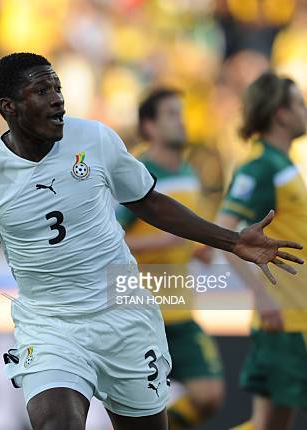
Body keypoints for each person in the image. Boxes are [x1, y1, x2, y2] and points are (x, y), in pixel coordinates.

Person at [0, 53, 302, 430]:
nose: (57, 100)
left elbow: (150, 203)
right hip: (50, 326)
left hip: (124, 317)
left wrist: (231, 241)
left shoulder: (95, 140)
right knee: (57, 423)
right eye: (41, 91)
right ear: (9, 108)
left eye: (57, 88)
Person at [216, 72, 307, 430]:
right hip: (291, 321)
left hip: (285, 318)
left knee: (268, 425)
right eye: (300, 104)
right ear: (281, 114)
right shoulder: (260, 167)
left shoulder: (281, 163)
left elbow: (274, 228)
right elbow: (225, 234)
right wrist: (261, 296)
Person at [117, 88, 223, 430]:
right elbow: (108, 241)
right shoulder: (135, 173)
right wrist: (162, 240)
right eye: (172, 114)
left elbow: (185, 234)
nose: (182, 121)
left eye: (182, 113)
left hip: (180, 311)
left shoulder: (190, 172)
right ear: (149, 126)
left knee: (209, 396)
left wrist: (197, 248)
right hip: (140, 316)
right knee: (142, 409)